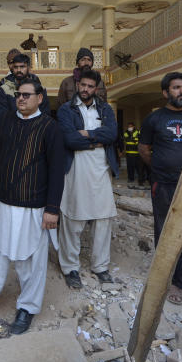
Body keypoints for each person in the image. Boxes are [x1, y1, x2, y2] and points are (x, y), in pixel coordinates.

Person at [0, 79, 65, 336]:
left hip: (34, 206)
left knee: (31, 261)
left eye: (27, 95)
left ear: (40, 98)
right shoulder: (6, 121)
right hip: (2, 203)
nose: (21, 99)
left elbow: (57, 172)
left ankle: (27, 308)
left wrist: (52, 208)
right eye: (18, 95)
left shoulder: (50, 128)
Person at [139, 72, 182, 306]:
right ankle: (167, 279)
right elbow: (144, 149)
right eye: (176, 88)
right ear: (165, 93)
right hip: (163, 184)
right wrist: (160, 167)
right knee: (165, 230)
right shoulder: (154, 119)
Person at [56, 70, 119, 289]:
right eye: (83, 85)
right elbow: (68, 138)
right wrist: (95, 139)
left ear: (96, 88)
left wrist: (86, 134)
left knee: (103, 219)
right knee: (73, 219)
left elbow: (111, 134)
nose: (86, 89)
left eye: (90, 86)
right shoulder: (66, 109)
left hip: (101, 170)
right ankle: (70, 267)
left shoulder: (105, 108)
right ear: (77, 85)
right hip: (76, 169)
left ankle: (100, 266)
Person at [0, 52, 50, 121]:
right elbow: (2, 115)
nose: (18, 70)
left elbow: (45, 112)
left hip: (35, 127)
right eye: (16, 67)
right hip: (13, 128)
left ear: (28, 68)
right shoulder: (5, 88)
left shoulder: (37, 85)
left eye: (22, 67)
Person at [122, 121, 146, 186]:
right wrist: (133, 140)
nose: (129, 128)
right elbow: (126, 140)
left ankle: (141, 179)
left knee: (138, 167)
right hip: (128, 153)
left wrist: (133, 140)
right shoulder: (126, 133)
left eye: (131, 126)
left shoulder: (137, 132)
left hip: (136, 153)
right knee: (130, 167)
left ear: (134, 126)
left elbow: (138, 141)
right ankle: (130, 178)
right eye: (128, 126)